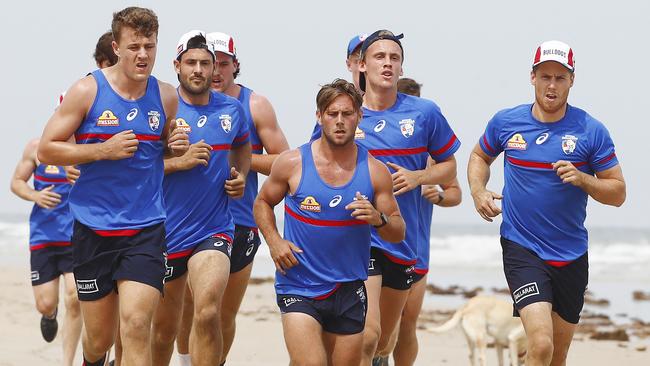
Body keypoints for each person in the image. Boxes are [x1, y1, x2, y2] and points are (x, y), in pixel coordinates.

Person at [37, 7, 189, 366]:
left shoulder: (167, 96)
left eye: (149, 46)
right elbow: (47, 148)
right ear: (117, 47)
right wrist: (103, 150)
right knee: (99, 339)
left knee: (137, 324)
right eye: (134, 46)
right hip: (93, 230)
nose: (143, 55)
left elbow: (163, 145)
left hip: (146, 229)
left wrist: (175, 144)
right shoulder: (87, 89)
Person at [467, 40, 626, 366]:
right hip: (522, 248)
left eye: (559, 78)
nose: (551, 85)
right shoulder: (506, 122)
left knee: (557, 355)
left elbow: (618, 193)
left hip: (571, 255)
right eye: (545, 76)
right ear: (533, 77)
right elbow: (479, 155)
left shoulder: (590, 131)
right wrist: (478, 190)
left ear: (571, 80)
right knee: (540, 345)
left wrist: (584, 179)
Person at [253, 78, 405, 365]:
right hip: (299, 284)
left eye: (347, 114)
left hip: (348, 288)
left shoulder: (375, 171)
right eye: (332, 113)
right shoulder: (292, 162)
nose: (339, 121)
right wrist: (274, 242)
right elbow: (262, 202)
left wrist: (378, 218)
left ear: (359, 117)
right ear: (319, 116)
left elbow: (398, 232)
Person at [337, 30, 460, 366]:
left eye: (394, 58)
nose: (388, 63)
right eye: (380, 57)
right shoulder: (344, 111)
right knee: (368, 334)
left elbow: (449, 169)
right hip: (358, 239)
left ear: (402, 67)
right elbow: (317, 164)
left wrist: (418, 177)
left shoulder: (425, 113)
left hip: (405, 241)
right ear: (362, 64)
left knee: (388, 339)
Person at [150, 30, 251, 366]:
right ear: (176, 66)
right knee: (164, 331)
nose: (198, 69)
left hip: (214, 229)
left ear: (214, 69)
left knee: (208, 311)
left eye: (205, 63)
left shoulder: (232, 109)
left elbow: (242, 145)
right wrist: (176, 159)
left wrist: (238, 176)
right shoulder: (161, 108)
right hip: (165, 233)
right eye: (190, 62)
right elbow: (134, 168)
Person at [198, 31, 289, 366]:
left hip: (240, 221)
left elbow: (285, 161)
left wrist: (238, 158)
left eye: (224, 63)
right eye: (211, 63)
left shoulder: (254, 105)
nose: (216, 71)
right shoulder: (178, 102)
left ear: (235, 66)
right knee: (192, 311)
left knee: (222, 314)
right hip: (189, 221)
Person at [376, 77, 463, 366]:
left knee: (408, 323)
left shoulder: (431, 156)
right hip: (376, 243)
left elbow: (455, 194)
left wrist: (434, 194)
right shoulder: (377, 143)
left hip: (416, 246)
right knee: (374, 327)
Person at [10, 137, 82, 366]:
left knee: (75, 297)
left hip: (75, 237)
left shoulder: (87, 147)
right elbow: (17, 182)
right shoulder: (36, 148)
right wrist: (35, 195)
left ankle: (67, 362)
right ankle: (49, 315)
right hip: (44, 237)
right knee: (46, 303)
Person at [309, 33, 367, 141]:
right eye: (358, 61)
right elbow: (314, 153)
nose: (363, 67)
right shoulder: (333, 103)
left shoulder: (395, 107)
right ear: (349, 64)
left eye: (367, 60)